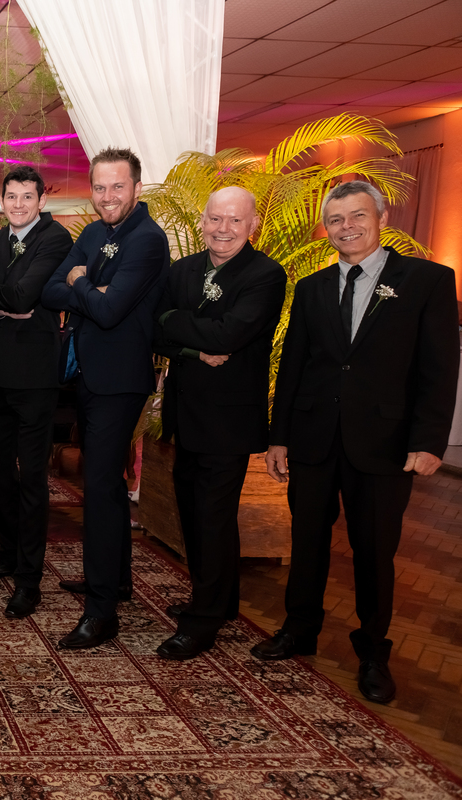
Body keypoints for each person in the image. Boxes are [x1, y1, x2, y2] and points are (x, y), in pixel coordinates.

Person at [253, 180, 459, 704]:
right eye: (337, 220)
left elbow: (439, 370)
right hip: (313, 438)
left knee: (374, 549)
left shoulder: (428, 280)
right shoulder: (312, 288)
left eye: (358, 216)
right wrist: (279, 438)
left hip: (384, 442)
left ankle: (373, 653)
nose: (347, 228)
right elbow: (294, 366)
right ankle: (299, 630)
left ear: (381, 218)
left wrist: (430, 441)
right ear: (327, 228)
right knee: (307, 541)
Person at [41, 146, 169, 648]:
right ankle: (116, 581)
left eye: (118, 186)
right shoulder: (95, 233)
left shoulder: (148, 239)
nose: (108, 196)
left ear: (136, 187)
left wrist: (83, 281)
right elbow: (52, 289)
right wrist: (90, 288)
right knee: (107, 485)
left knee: (96, 488)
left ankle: (101, 613)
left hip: (121, 380)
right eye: (100, 187)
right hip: (89, 376)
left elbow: (112, 311)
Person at [151, 187, 286, 659]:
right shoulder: (183, 269)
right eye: (215, 219)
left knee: (211, 517)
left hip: (228, 421)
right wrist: (194, 347)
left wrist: (176, 320)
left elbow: (230, 334)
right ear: (203, 220)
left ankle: (202, 621)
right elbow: (154, 330)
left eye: (234, 220)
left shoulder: (265, 274)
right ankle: (220, 600)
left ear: (253, 226)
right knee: (197, 514)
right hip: (185, 415)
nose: (222, 229)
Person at [0, 166, 73, 619]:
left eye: (27, 197)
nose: (18, 204)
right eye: (11, 196)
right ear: (3, 200)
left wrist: (0, 295)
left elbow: (24, 296)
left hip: (35, 378)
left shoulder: (55, 238)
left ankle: (29, 580)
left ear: (41, 201)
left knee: (32, 479)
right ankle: (7, 556)